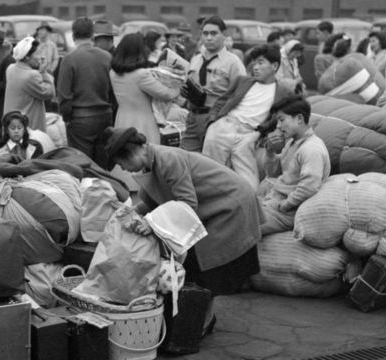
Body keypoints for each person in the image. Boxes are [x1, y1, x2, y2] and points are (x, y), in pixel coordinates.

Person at [101, 126, 262, 333]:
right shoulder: (152, 161)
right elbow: (151, 200)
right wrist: (130, 213)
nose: (122, 168)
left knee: (204, 265)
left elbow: (187, 203)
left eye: (121, 163)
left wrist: (151, 223)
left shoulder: (167, 159)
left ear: (130, 153)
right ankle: (199, 319)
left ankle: (203, 321)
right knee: (197, 266)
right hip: (213, 207)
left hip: (229, 204)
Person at [201, 44, 294, 190]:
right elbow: (222, 101)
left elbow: (285, 119)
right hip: (225, 125)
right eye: (254, 63)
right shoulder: (242, 81)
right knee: (210, 176)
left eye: (261, 63)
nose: (255, 67)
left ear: (274, 66)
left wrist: (261, 134)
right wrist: (213, 121)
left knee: (250, 186)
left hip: (249, 134)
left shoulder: (283, 92)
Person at [259, 96, 330, 235]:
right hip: (274, 202)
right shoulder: (292, 143)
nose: (278, 126)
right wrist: (269, 151)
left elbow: (309, 187)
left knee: (242, 227)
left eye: (281, 120)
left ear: (299, 119)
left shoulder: (311, 149)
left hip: (287, 212)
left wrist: (285, 205)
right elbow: (272, 173)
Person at [180, 16, 246, 152]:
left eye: (214, 33)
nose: (209, 38)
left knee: (212, 164)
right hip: (193, 118)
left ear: (224, 35)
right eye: (205, 34)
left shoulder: (233, 62)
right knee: (186, 159)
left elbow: (241, 94)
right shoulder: (196, 59)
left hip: (216, 120)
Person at [57, 17, 113, 168]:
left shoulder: (69, 59)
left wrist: (66, 117)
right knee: (102, 164)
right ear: (92, 35)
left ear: (73, 36)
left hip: (79, 117)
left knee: (81, 165)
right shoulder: (107, 57)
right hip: (104, 115)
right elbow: (113, 91)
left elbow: (64, 95)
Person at [110, 32, 180, 146]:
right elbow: (166, 94)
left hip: (121, 120)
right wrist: (179, 87)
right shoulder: (141, 75)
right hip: (143, 124)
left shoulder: (113, 73)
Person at [4, 36, 55, 133]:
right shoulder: (31, 75)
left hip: (11, 127)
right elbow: (50, 92)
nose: (40, 57)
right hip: (29, 129)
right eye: (37, 54)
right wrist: (44, 72)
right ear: (27, 57)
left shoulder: (10, 68)